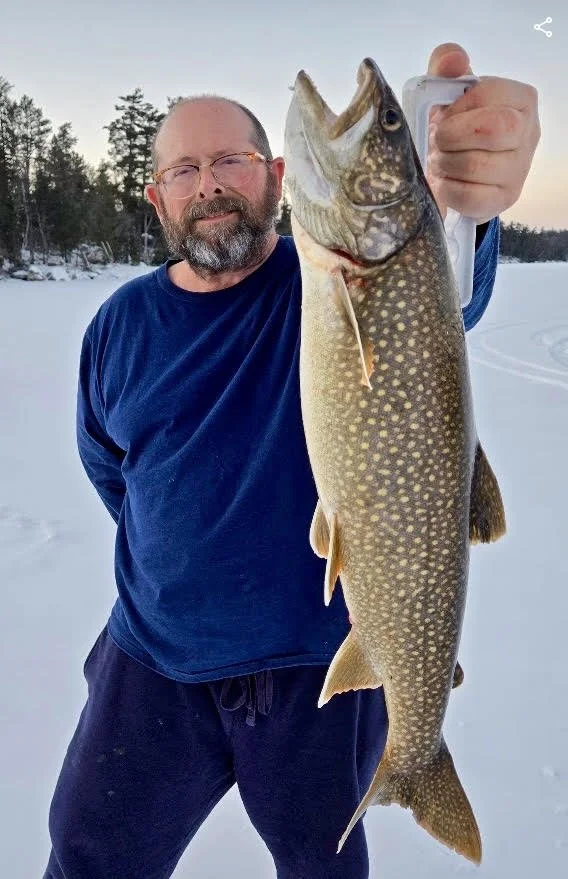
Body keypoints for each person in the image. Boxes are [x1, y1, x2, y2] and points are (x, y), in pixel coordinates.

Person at [42, 43, 540, 879]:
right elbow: (108, 466)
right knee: (89, 858)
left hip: (316, 672)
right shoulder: (120, 324)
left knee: (322, 867)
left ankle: (413, 770)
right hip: (153, 663)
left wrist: (467, 209)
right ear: (156, 193)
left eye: (231, 159)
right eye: (185, 167)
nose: (209, 185)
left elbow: (442, 292)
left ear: (275, 173)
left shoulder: (325, 281)